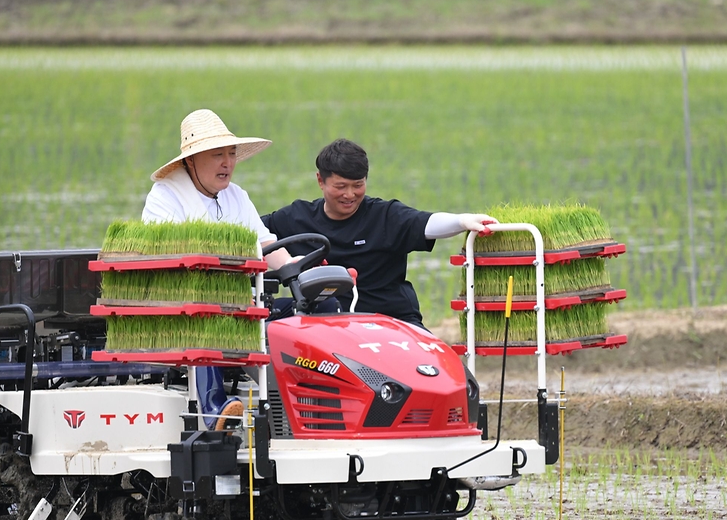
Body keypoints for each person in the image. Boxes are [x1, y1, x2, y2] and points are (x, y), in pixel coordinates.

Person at [142, 108, 293, 428]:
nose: (228, 162)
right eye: (217, 155)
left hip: (239, 303)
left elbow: (266, 245)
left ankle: (305, 410)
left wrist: (301, 275)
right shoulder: (165, 197)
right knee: (206, 314)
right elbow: (165, 259)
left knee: (298, 311)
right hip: (182, 307)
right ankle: (213, 408)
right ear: (191, 161)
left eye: (232, 153)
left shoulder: (237, 196)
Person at [261, 138, 496, 329]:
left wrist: (462, 220)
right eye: (341, 186)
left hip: (393, 322)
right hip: (328, 326)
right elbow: (252, 231)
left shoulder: (385, 215)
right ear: (320, 181)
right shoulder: (296, 217)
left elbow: (426, 223)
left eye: (358, 185)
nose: (350, 195)